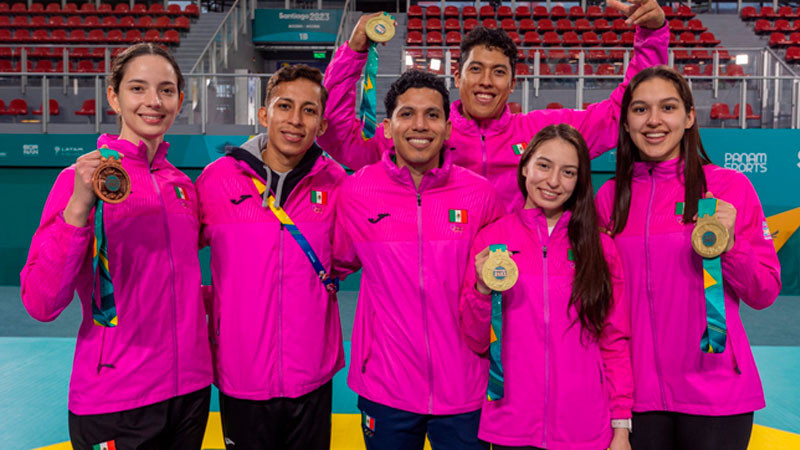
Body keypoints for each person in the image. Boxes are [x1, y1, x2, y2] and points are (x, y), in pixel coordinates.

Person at [20, 43, 212, 449]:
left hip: (189, 391)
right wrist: (77, 209)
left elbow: (173, 284)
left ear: (180, 99)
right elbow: (41, 302)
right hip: (115, 395)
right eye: (138, 89)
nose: (153, 102)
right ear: (114, 96)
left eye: (166, 90)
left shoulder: (182, 186)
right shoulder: (79, 181)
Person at [319, 0, 667, 211]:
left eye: (498, 72)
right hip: (445, 287)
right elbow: (338, 138)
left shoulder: (541, 133)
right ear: (457, 77)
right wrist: (354, 52)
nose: (486, 81)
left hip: (519, 288)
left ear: (513, 83)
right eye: (476, 70)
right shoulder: (419, 135)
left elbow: (618, 112)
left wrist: (651, 36)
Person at [595, 66, 781, 450]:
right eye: (640, 110)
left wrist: (731, 246)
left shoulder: (730, 186)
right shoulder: (609, 198)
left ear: (689, 116)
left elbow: (763, 292)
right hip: (637, 398)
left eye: (668, 107)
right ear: (626, 122)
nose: (654, 121)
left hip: (716, 395)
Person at [332, 70, 505, 450]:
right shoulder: (356, 191)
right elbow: (334, 262)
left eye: (432, 114)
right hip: (385, 386)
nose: (420, 125)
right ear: (389, 127)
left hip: (464, 390)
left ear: (447, 128)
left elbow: (495, 292)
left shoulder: (481, 196)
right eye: (407, 114)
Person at [195, 64, 345, 450]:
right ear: (263, 114)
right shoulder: (216, 180)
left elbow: (349, 255)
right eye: (284, 106)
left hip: (311, 375)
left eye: (309, 110)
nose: (295, 120)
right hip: (241, 374)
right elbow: (173, 256)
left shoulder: (337, 184)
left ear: (322, 124)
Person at [461, 124, 632, 450]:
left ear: (580, 180)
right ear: (525, 166)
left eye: (568, 172)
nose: (553, 181)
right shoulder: (492, 239)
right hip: (511, 423)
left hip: (584, 427)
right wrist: (482, 291)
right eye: (544, 165)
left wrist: (621, 428)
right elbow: (475, 338)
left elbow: (614, 340)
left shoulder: (600, 247)